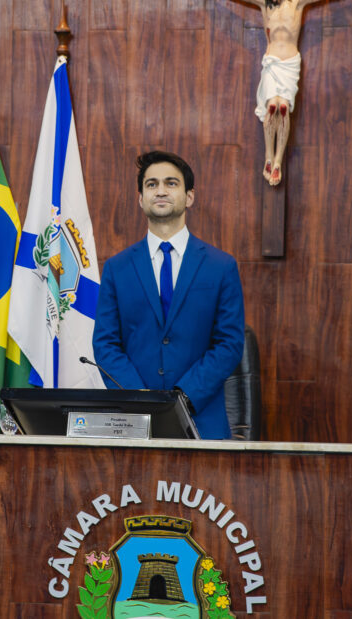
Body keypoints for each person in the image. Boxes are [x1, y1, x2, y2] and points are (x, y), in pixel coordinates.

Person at [92, 151, 245, 439]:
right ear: (140, 199)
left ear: (189, 197)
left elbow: (229, 343)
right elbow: (105, 343)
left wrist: (183, 397)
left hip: (203, 424)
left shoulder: (221, 266)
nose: (160, 190)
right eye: (151, 184)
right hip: (134, 425)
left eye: (171, 183)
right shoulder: (117, 268)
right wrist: (141, 399)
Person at [187, 0, 352, 186]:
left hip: (289, 64)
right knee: (272, 107)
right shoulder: (262, 4)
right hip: (271, 63)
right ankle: (269, 156)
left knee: (283, 108)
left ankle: (277, 161)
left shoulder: (297, 2)